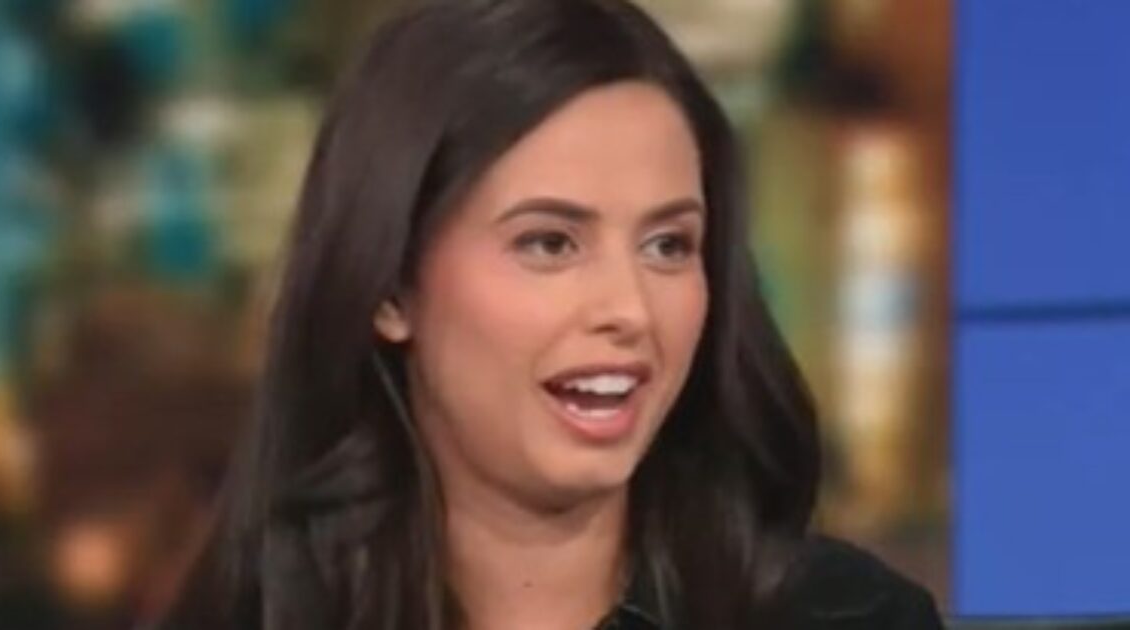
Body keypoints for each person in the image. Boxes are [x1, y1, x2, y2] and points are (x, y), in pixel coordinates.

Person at [160, 0, 945, 628]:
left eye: (669, 245)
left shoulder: (845, 616)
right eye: (549, 243)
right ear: (391, 287)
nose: (630, 309)